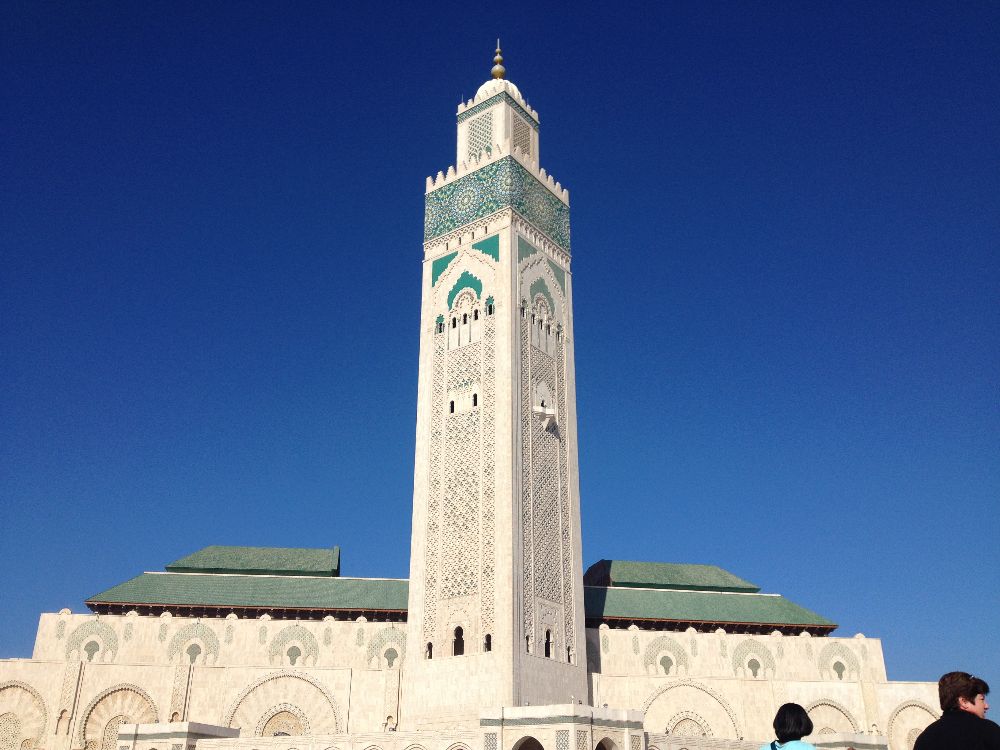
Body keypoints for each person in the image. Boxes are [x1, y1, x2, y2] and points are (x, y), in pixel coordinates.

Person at [914, 671, 1000, 750]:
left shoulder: (924, 738)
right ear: (964, 701)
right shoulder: (988, 732)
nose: (986, 706)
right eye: (982, 699)